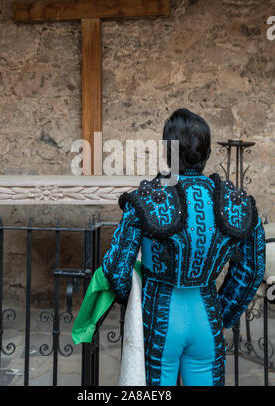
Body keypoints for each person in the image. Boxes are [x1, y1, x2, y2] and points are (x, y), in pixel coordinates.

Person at [101, 108, 266, 386]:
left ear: (167, 152)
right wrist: (222, 311)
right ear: (207, 153)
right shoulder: (236, 201)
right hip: (206, 314)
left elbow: (117, 270)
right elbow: (252, 269)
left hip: (160, 314)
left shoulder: (148, 197)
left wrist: (135, 303)